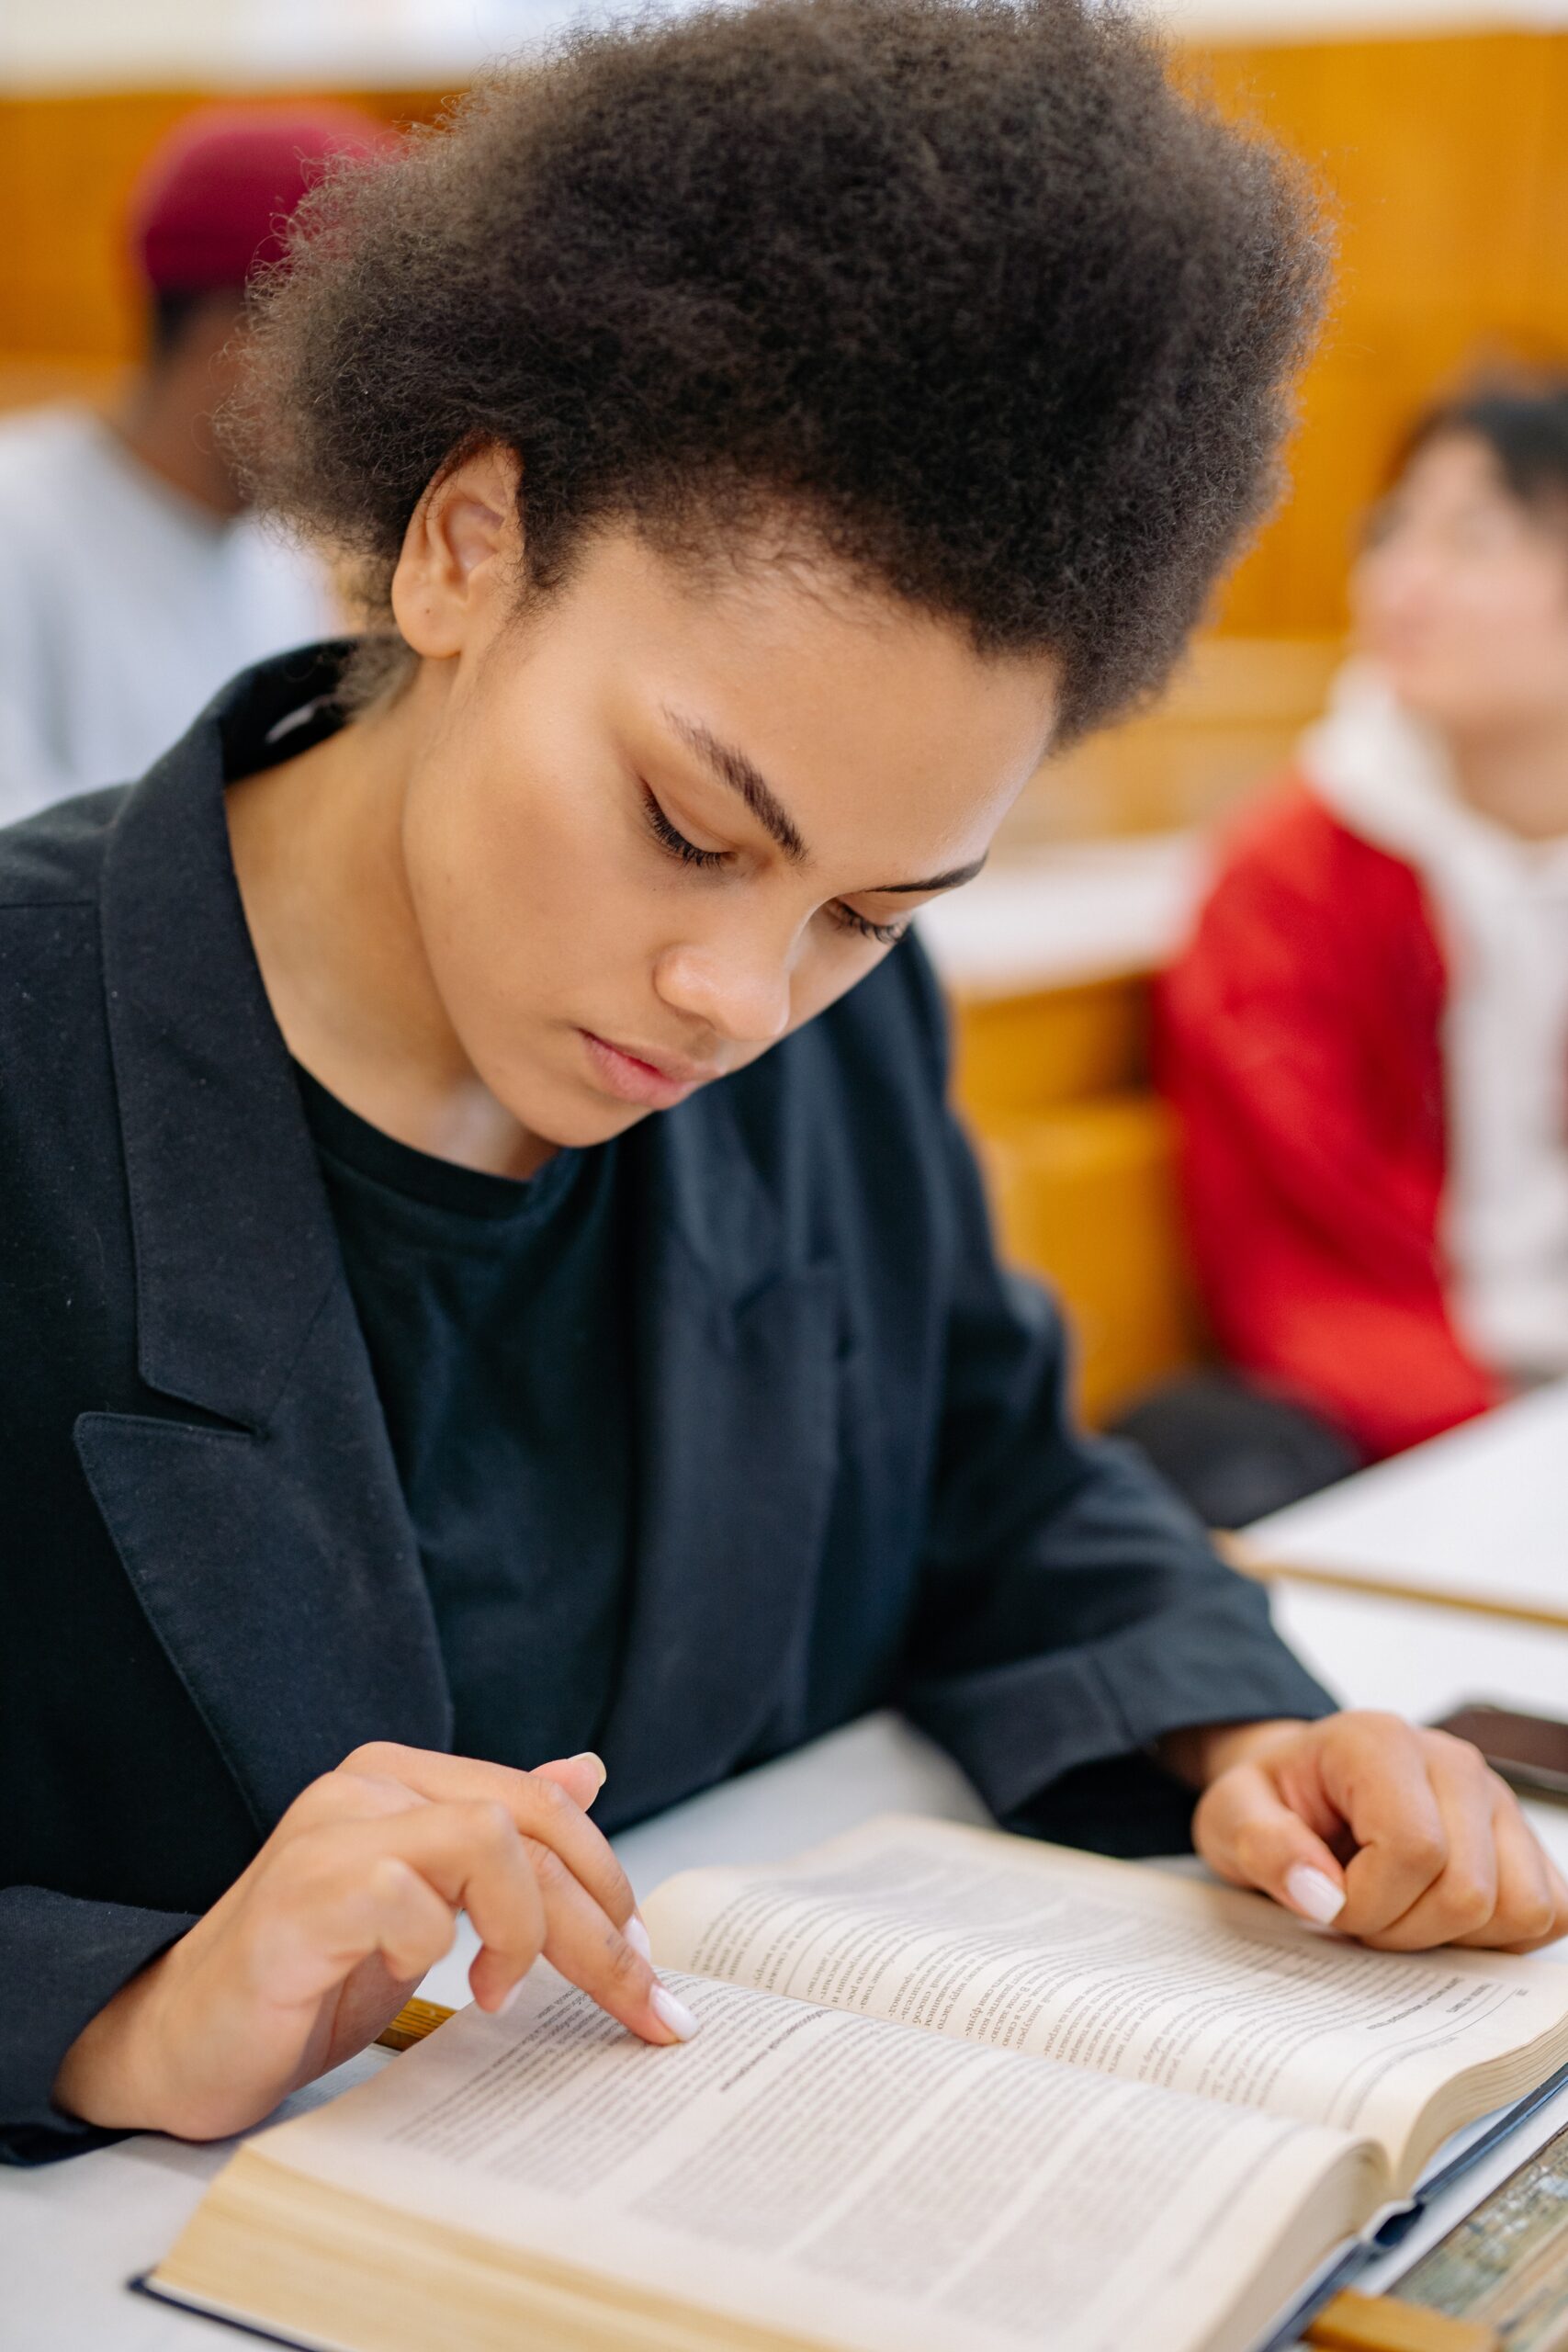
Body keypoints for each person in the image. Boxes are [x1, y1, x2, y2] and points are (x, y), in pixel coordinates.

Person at [3, 0, 1562, 2171]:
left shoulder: (818, 1029)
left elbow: (990, 1476)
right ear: (463, 543)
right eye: (683, 823)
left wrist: (1250, 1728)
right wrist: (116, 2010)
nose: (733, 992)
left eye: (867, 907)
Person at [1155, 380, 1568, 1511]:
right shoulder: (1294, 874)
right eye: (1392, 531)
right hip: (1396, 1396)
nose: (1403, 579)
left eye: (1472, 538)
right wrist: (1510, 1444)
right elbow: (1305, 1257)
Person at [0, 106, 378, 820]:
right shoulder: (17, 527)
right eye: (351, 361)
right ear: (224, 340)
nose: (372, 406)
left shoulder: (276, 562)